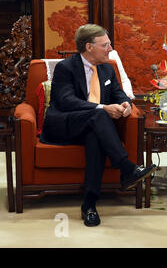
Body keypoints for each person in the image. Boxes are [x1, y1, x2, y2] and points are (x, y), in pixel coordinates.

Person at [41, 24, 157, 227]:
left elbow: (118, 93)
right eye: (105, 45)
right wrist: (102, 107)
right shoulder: (65, 68)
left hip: (91, 127)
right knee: (99, 116)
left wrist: (126, 104)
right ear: (89, 47)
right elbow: (67, 101)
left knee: (95, 136)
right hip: (63, 125)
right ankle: (127, 168)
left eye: (109, 44)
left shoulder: (107, 68)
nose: (110, 49)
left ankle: (89, 205)